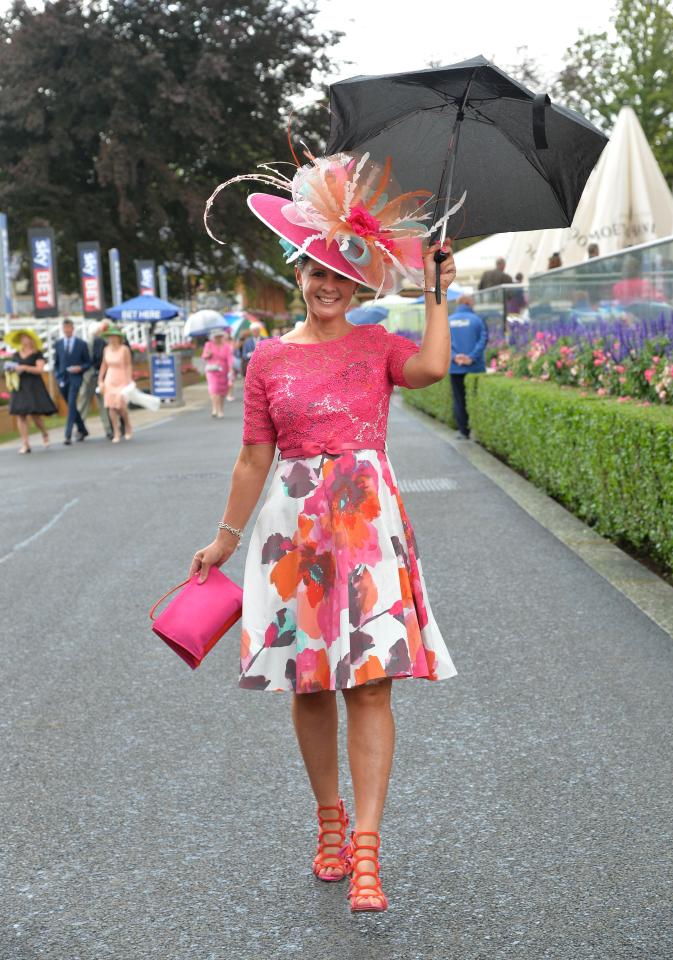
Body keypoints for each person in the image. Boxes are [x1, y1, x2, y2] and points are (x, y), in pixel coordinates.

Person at [194, 152, 457, 913]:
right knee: (309, 688)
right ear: (299, 273)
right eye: (314, 270)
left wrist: (436, 291)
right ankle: (330, 826)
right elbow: (252, 457)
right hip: (294, 532)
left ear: (359, 284)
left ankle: (368, 852)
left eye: (341, 274)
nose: (326, 284)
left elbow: (434, 369)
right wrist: (224, 538)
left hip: (367, 524)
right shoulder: (268, 357)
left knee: (369, 686)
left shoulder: (377, 346)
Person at [5, 328, 57, 454]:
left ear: (31, 339)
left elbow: (40, 370)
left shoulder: (37, 354)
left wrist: (25, 367)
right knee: (20, 414)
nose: (24, 340)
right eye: (22, 338)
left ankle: (44, 433)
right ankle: (25, 443)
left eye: (26, 337)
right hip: (20, 386)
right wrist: (12, 369)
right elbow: (12, 367)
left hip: (34, 386)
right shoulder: (16, 354)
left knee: (35, 415)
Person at [448, 296, 488, 439]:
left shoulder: (448, 320)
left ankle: (463, 431)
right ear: (468, 303)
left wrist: (455, 356)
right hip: (475, 367)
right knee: (477, 398)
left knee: (459, 399)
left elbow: (444, 342)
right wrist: (471, 357)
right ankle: (480, 430)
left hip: (456, 367)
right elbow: (483, 340)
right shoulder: (477, 320)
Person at [54, 318, 91, 445]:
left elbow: (88, 362)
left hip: (76, 378)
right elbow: (56, 363)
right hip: (63, 379)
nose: (67, 330)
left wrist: (80, 368)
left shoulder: (81, 344)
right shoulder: (58, 344)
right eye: (65, 328)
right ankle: (83, 429)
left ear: (73, 329)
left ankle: (67, 434)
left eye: (69, 328)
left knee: (71, 403)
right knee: (71, 406)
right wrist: (58, 377)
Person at [98, 325, 133, 443]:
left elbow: (128, 365)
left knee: (121, 406)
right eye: (110, 337)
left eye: (114, 337)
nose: (112, 339)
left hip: (121, 377)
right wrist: (100, 379)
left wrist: (128, 380)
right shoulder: (106, 349)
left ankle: (127, 425)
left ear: (119, 338)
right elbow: (104, 365)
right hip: (110, 378)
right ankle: (116, 431)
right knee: (111, 407)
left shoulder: (124, 349)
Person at [202, 327, 232, 417]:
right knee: (214, 388)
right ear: (213, 337)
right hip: (212, 370)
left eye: (219, 336)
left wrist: (231, 369)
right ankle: (215, 408)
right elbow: (204, 356)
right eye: (216, 337)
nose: (218, 338)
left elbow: (229, 358)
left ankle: (221, 409)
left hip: (223, 370)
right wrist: (208, 354)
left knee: (222, 391)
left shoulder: (226, 346)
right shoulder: (208, 345)